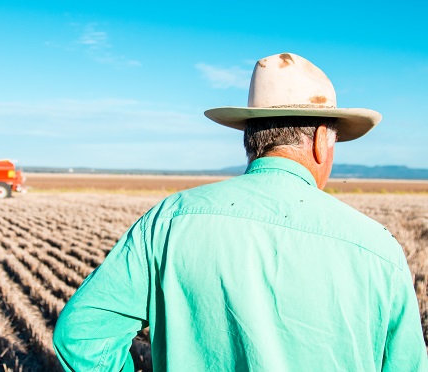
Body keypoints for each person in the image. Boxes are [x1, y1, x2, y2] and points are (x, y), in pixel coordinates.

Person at [53, 52, 428, 371]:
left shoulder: (170, 220)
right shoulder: (379, 251)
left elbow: (81, 334)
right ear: (319, 142)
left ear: (249, 137)